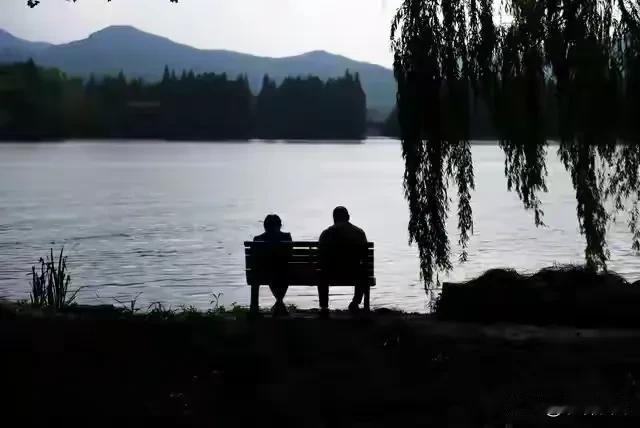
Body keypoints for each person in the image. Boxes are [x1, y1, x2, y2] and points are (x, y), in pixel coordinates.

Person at [318, 206, 369, 315]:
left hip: (331, 273)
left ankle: (324, 307)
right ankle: (355, 303)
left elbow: (320, 257)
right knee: (363, 271)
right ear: (348, 217)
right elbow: (365, 258)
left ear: (334, 218)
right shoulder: (359, 233)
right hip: (353, 272)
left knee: (321, 273)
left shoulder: (326, 233)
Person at [253, 214, 292, 316]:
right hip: (285, 273)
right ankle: (279, 302)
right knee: (283, 271)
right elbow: (289, 257)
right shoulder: (286, 237)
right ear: (280, 225)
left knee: (272, 271)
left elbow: (255, 261)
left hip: (263, 274)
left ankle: (278, 303)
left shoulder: (258, 239)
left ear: (265, 226)